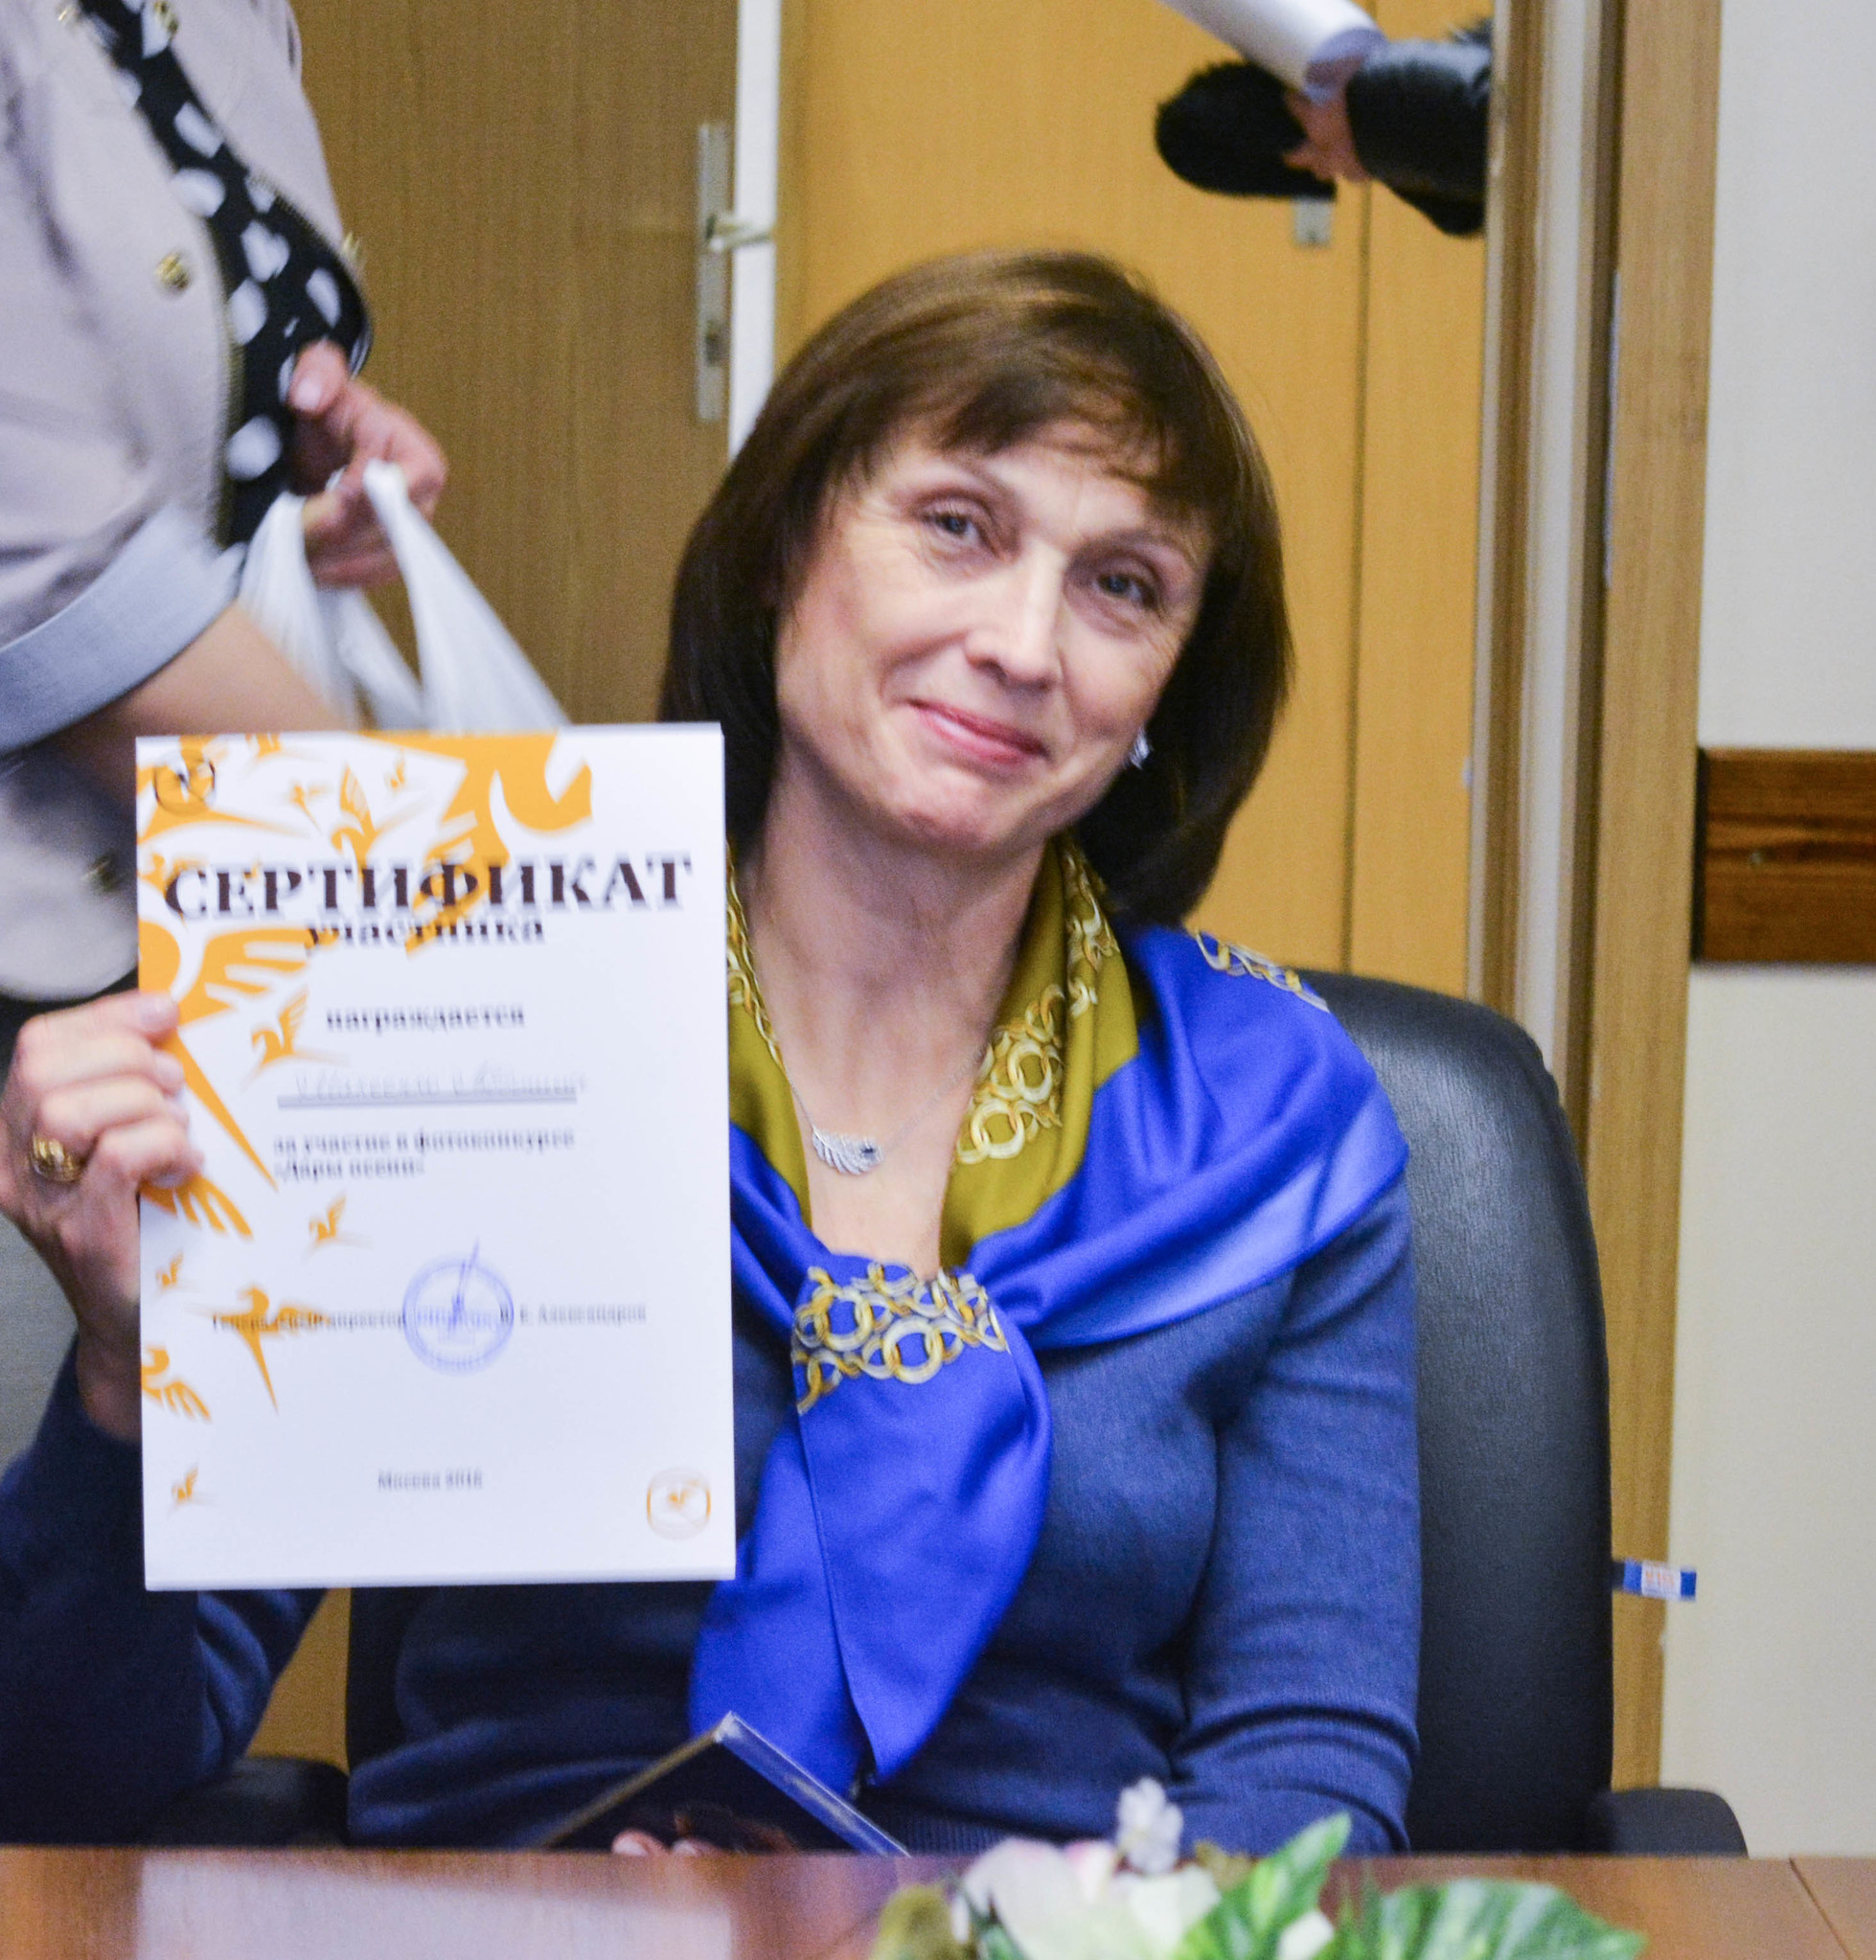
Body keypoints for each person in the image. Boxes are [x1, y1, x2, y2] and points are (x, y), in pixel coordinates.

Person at [0, 251, 1420, 1857]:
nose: (1025, 644)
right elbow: (72, 1780)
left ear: (1170, 681)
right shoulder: (439, 993)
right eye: (958, 527)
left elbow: (1305, 1768)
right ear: (784, 548)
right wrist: (124, 1380)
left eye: (1123, 586)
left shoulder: (1269, 1123)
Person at [0, 0, 446, 1076]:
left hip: (209, 897)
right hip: (45, 938)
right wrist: (435, 887)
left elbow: (190, 336)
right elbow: (50, 569)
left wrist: (297, 446)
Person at [1155, 23, 1491, 237]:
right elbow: (1467, 215)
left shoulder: (1380, 97)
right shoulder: (1378, 114)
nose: (1325, 172)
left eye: (1306, 163)